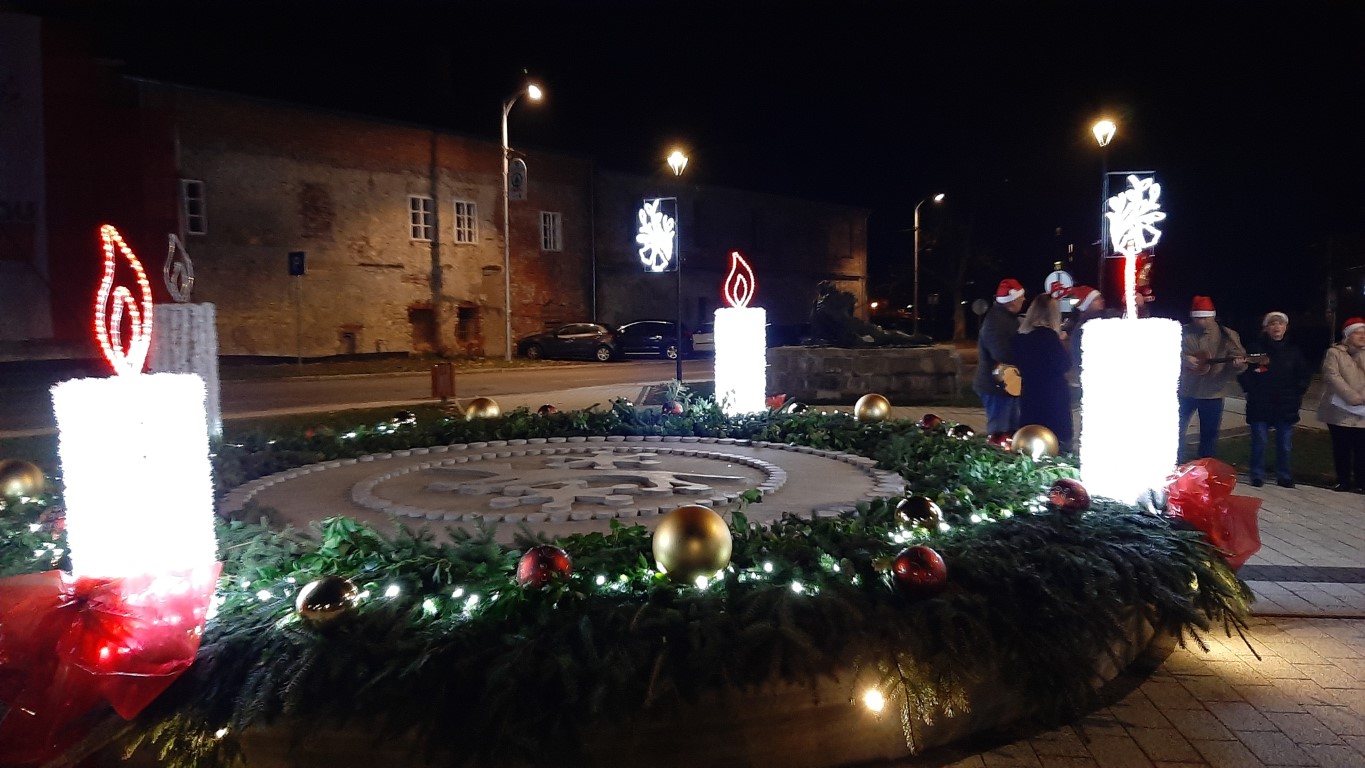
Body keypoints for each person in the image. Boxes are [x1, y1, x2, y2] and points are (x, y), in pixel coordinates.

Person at [1237, 311, 1310, 488]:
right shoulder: (1255, 349)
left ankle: (1284, 475)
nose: (1277, 327)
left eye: (1280, 324)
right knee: (1259, 441)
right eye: (1272, 324)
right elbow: (1244, 374)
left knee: (1284, 444)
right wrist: (1252, 390)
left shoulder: (1293, 351)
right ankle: (1257, 474)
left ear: (1285, 328)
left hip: (1285, 405)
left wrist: (1296, 393)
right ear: (1266, 328)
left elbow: (1303, 376)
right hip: (1260, 404)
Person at [1178, 296, 1247, 462]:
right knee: (1176, 430)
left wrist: (1238, 364)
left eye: (1205, 318)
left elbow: (1238, 358)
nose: (1202, 322)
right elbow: (1166, 351)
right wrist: (1185, 359)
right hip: (1185, 390)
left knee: (1209, 434)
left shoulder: (1227, 335)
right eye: (1198, 318)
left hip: (1213, 392)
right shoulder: (1182, 332)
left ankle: (1205, 467)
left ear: (1213, 316)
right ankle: (1173, 463)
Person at [1013, 294, 1074, 451]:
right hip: (1052, 397)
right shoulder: (1049, 337)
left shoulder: (1021, 337)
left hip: (1030, 393)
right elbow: (1064, 364)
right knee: (1055, 441)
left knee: (1031, 436)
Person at [1317, 317, 1365, 493]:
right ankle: (1343, 480)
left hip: (1363, 411)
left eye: (1364, 333)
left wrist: (1362, 397)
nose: (1362, 336)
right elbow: (1332, 375)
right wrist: (1350, 396)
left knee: (1362, 448)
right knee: (1342, 447)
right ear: (1348, 335)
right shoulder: (1335, 353)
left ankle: (1361, 482)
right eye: (1358, 333)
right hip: (1339, 409)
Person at [973, 278, 1026, 434]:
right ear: (1011, 301)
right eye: (1020, 297)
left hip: (1006, 385)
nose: (1024, 299)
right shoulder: (995, 323)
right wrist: (1026, 355)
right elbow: (1002, 354)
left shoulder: (1005, 318)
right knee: (999, 430)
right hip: (996, 386)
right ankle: (996, 455)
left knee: (1011, 429)